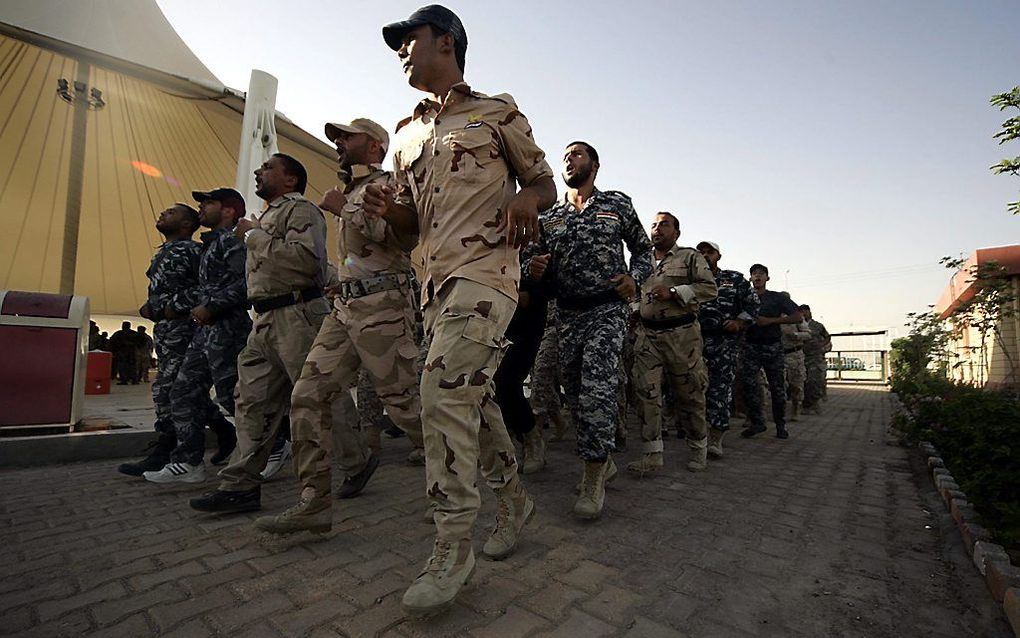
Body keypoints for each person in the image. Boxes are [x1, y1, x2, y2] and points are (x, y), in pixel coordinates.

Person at [367, 4, 556, 616]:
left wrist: (528, 200)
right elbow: (403, 231)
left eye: (409, 40)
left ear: (445, 42)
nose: (401, 52)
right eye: (396, 44)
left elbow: (543, 182)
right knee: (470, 398)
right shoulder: (404, 136)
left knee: (441, 394)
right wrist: (383, 207)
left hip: (487, 275)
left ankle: (452, 546)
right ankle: (514, 502)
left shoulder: (497, 110)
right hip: (432, 287)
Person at [253, 117, 428, 535]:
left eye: (348, 137)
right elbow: (355, 255)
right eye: (338, 138)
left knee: (407, 408)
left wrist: (343, 207)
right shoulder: (350, 189)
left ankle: (462, 482)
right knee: (308, 394)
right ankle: (314, 501)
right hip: (346, 310)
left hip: (383, 307)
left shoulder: (388, 184)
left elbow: (402, 237)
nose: (339, 143)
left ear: (374, 147)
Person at [189, 153, 330, 513]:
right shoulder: (265, 219)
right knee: (249, 401)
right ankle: (241, 486)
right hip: (265, 320)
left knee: (319, 398)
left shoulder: (301, 211)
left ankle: (357, 460)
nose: (257, 171)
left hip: (298, 315)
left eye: (268, 168)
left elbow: (305, 261)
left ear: (291, 180)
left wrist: (254, 236)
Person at [528, 141, 652, 518]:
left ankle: (594, 474)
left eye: (577, 154)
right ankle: (603, 458)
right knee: (576, 392)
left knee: (598, 387)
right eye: (565, 155)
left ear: (595, 165)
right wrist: (531, 268)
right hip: (567, 314)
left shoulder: (616, 204)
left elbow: (643, 250)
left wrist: (635, 277)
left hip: (606, 309)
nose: (569, 159)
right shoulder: (549, 216)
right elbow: (530, 258)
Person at [142, 188, 250, 483]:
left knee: (232, 394)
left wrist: (203, 306)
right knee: (182, 390)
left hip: (228, 327)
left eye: (209, 203)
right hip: (206, 329)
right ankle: (189, 461)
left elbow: (248, 283)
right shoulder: (209, 246)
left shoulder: (233, 243)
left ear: (228, 210)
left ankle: (277, 442)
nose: (201, 207)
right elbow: (203, 289)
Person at [627, 213, 717, 475]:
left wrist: (675, 292)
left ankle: (698, 447)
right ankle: (652, 455)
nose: (657, 229)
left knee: (689, 393)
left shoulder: (689, 257)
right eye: (653, 225)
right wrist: (635, 308)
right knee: (646, 393)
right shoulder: (641, 261)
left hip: (681, 335)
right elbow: (634, 291)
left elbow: (709, 289)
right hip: (647, 337)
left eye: (664, 224)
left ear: (677, 232)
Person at [118, 205, 202, 477]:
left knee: (170, 392)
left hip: (183, 330)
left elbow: (205, 288)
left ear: (188, 224)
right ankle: (224, 435)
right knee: (178, 392)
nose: (163, 214)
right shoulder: (164, 252)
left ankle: (168, 450)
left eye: (172, 213)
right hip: (165, 332)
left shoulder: (192, 251)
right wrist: (150, 306)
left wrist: (170, 307)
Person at [695, 241, 758, 458]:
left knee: (719, 390)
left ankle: (715, 439)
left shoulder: (734, 279)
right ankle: (697, 436)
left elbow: (753, 306)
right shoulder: (688, 281)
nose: (704, 255)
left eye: (709, 252)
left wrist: (739, 323)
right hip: (694, 343)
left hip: (724, 344)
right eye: (700, 252)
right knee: (692, 390)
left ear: (718, 256)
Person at [738, 264, 802, 439]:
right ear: (750, 278)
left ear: (767, 278)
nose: (757, 277)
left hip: (772, 347)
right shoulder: (743, 298)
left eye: (761, 274)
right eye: (754, 274)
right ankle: (757, 422)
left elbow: (797, 316)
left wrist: (771, 321)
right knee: (749, 386)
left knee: (777, 388)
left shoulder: (777, 298)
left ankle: (780, 425)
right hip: (750, 347)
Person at [780, 302, 811, 421]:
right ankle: (780, 412)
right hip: (778, 354)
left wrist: (795, 335)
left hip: (795, 354)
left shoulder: (796, 317)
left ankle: (796, 409)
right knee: (779, 384)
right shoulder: (774, 316)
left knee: (796, 385)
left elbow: (808, 334)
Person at [800, 304, 831, 413]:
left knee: (815, 380)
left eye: (806, 312)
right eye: (802, 312)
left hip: (815, 357)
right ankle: (805, 404)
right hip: (801, 356)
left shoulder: (817, 325)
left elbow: (827, 336)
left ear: (810, 312)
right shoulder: (798, 325)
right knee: (803, 381)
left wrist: (822, 345)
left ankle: (814, 403)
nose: (804, 314)